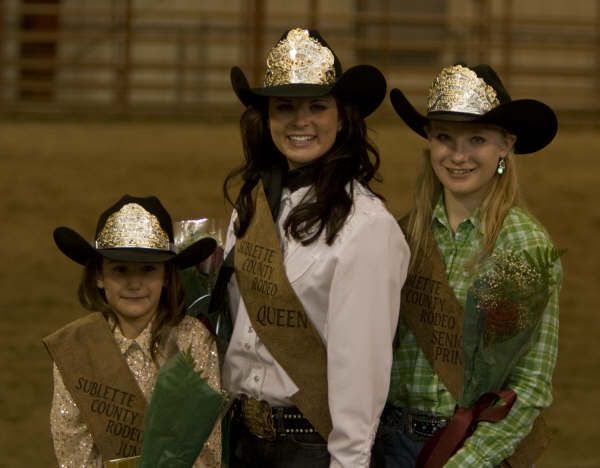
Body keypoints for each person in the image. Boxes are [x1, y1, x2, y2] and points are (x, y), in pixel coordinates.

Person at [215, 27, 410, 467]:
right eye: (284, 106)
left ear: (342, 117)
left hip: (312, 448)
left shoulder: (367, 228)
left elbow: (361, 370)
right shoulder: (252, 205)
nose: (299, 121)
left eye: (317, 106)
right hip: (240, 439)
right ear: (265, 118)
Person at [377, 63, 562, 467]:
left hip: (468, 448)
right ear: (429, 140)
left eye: (476, 139)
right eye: (445, 137)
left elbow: (528, 386)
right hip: (387, 445)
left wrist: (465, 463)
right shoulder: (403, 235)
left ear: (505, 145)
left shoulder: (523, 244)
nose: (458, 155)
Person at [44, 194, 222, 467]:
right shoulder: (78, 347)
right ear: (99, 277)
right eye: (120, 270)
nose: (134, 283)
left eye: (148, 269)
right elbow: (71, 442)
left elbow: (207, 442)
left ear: (166, 277)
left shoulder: (193, 339)